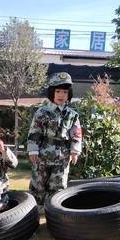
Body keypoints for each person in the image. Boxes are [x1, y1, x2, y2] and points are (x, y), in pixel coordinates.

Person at [27, 72, 82, 211]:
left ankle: (54, 211)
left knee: (58, 184)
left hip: (62, 157)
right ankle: (34, 212)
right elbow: (35, 132)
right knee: (38, 183)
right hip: (43, 155)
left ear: (69, 94)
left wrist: (74, 151)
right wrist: (33, 150)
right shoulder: (42, 112)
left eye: (65, 91)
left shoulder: (72, 115)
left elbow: (76, 134)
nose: (61, 95)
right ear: (52, 92)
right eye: (58, 91)